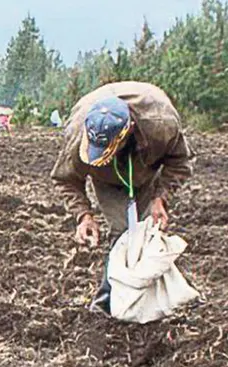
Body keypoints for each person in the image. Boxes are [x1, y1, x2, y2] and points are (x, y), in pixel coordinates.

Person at [50, 81, 194, 313]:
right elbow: (65, 179)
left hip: (146, 167)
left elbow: (180, 162)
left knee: (147, 231)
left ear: (129, 131)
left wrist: (161, 197)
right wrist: (84, 216)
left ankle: (153, 301)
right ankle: (109, 302)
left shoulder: (161, 125)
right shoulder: (78, 135)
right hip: (106, 179)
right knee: (122, 233)